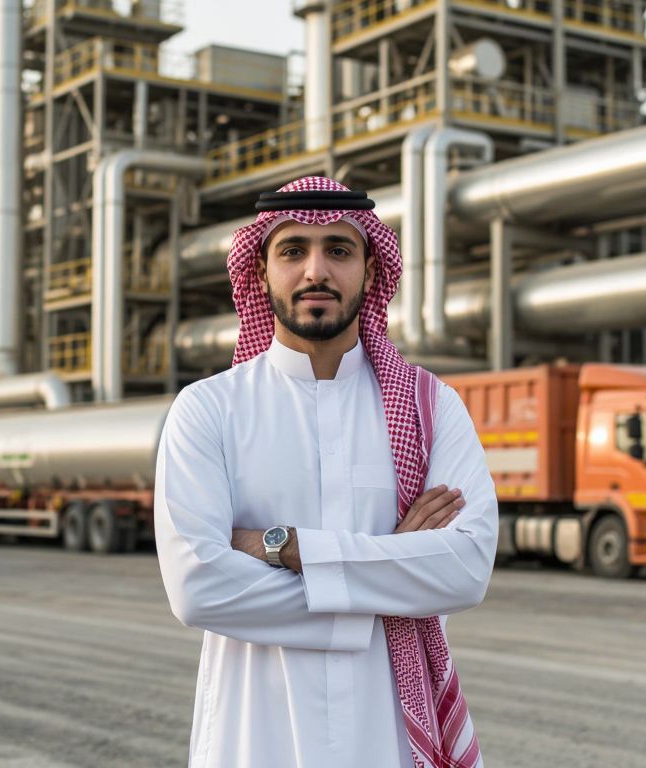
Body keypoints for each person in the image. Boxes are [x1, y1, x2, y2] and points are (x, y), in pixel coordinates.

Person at [154, 176, 499, 767]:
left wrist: (281, 546)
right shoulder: (210, 408)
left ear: (371, 270)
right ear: (260, 272)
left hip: (386, 727)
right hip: (254, 731)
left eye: (339, 250)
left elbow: (465, 570)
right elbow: (197, 588)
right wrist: (393, 566)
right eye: (293, 251)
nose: (316, 271)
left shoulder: (430, 406)